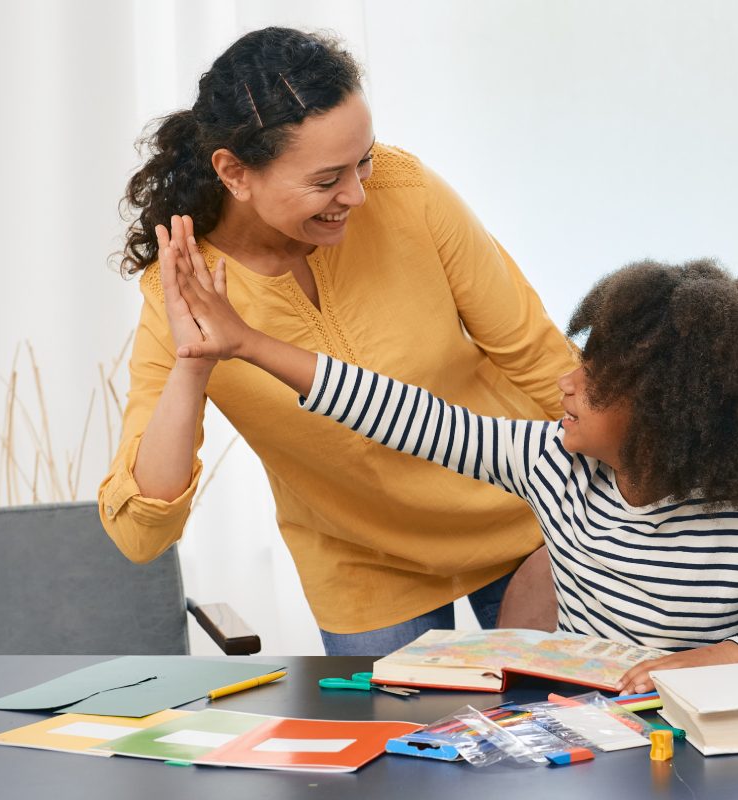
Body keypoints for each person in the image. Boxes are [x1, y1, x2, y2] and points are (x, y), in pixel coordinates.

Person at [166, 253, 738, 692]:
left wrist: (718, 658)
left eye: (596, 379)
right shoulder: (554, 465)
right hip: (592, 741)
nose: (567, 383)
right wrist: (251, 344)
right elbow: (405, 413)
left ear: (667, 413)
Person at [98, 27, 579, 655]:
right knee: (395, 753)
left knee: (567, 737)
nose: (356, 193)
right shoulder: (183, 289)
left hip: (524, 522)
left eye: (364, 160)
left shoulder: (405, 192)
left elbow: (540, 357)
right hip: (364, 567)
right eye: (327, 179)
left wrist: (604, 519)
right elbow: (142, 533)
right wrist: (192, 367)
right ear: (234, 172)